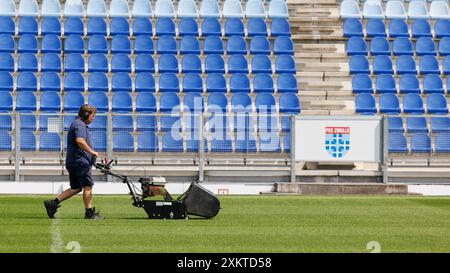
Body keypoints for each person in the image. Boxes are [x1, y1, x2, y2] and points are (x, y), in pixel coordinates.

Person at [44, 104, 104, 220]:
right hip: (79, 162)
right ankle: (89, 213)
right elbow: (80, 140)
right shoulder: (79, 125)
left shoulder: (78, 124)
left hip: (74, 161)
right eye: (93, 115)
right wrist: (92, 152)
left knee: (76, 187)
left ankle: (53, 203)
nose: (93, 118)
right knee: (88, 186)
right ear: (86, 114)